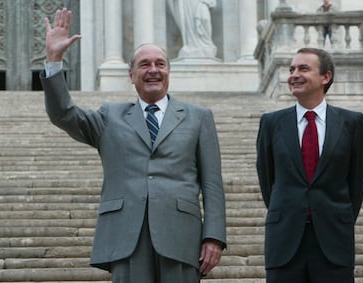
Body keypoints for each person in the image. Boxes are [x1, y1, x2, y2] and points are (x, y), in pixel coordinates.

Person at [41, 8, 226, 283]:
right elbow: (64, 115)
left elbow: (212, 183)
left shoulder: (199, 117)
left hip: (181, 235)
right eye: (145, 64)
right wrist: (54, 61)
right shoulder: (109, 116)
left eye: (160, 64)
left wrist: (214, 237)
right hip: (127, 236)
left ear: (169, 71)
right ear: (131, 75)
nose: (153, 70)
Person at [256, 48, 363, 283]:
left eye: (303, 69)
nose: (294, 75)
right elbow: (268, 180)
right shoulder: (271, 123)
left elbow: (356, 180)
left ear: (325, 77)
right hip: (284, 240)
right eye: (291, 69)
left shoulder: (352, 122)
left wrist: (338, 216)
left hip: (334, 241)